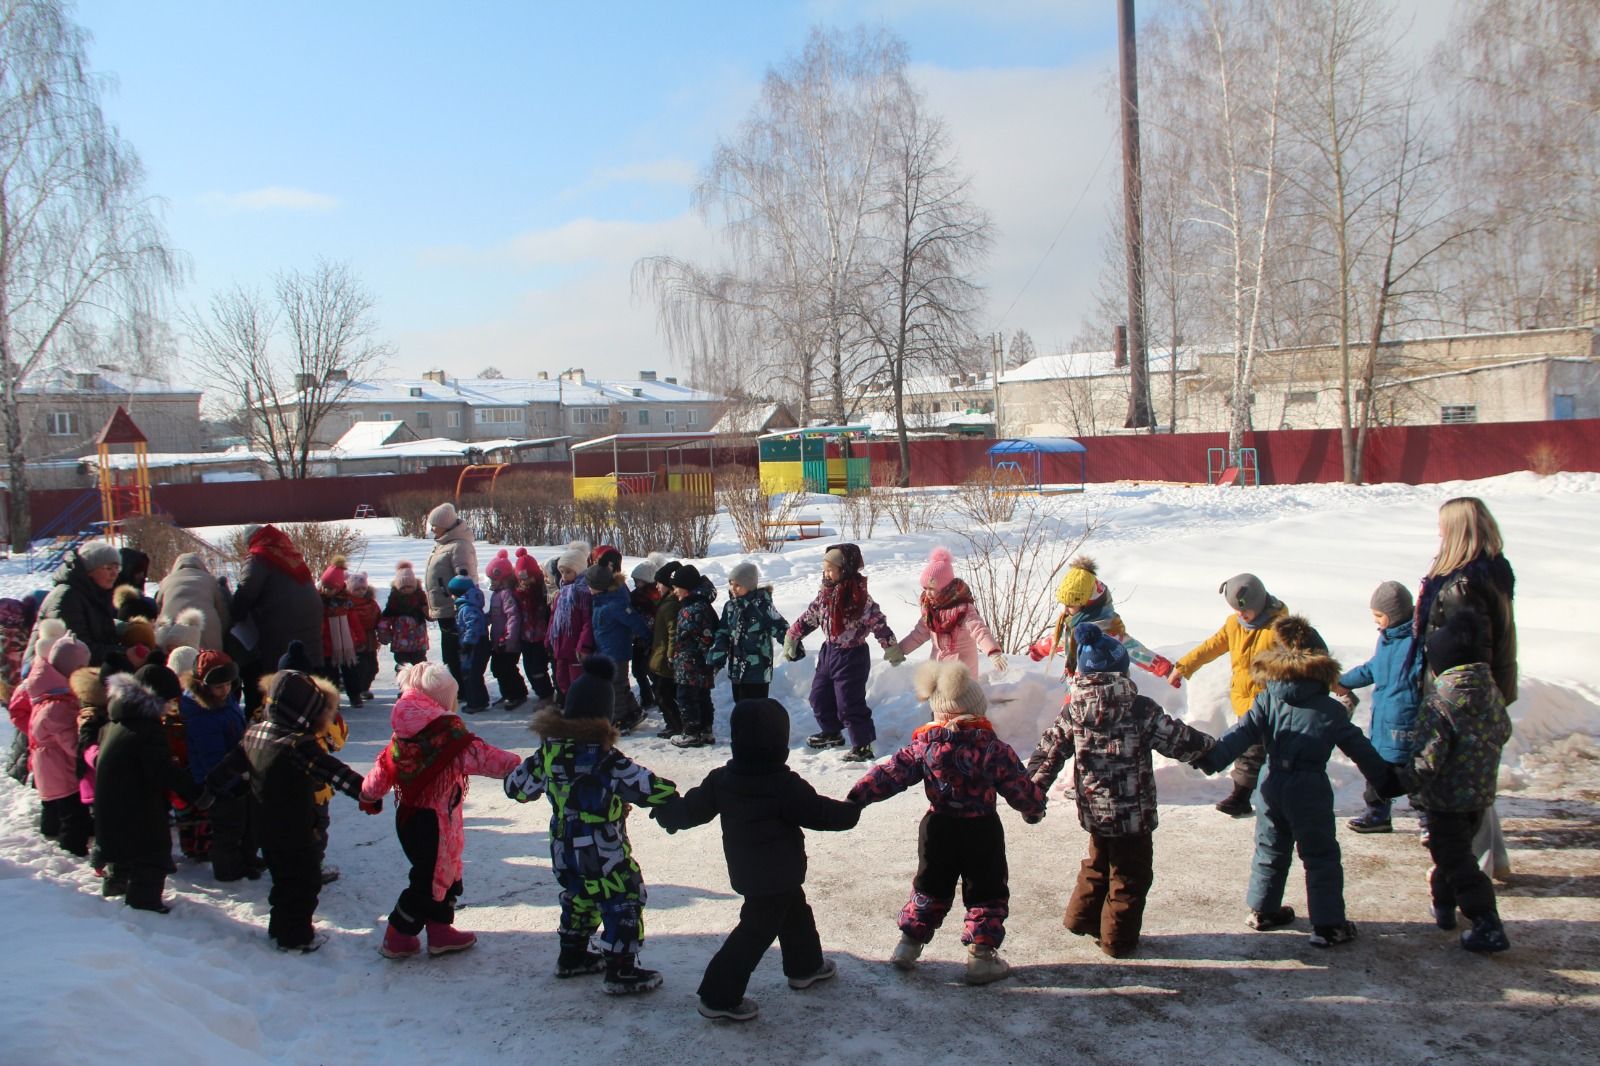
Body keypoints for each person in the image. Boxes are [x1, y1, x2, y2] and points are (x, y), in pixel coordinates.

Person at [1197, 616, 1400, 948]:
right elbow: (1360, 748)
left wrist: (1212, 758)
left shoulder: (1267, 700)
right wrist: (1387, 781)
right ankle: (1328, 924)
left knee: (1270, 848)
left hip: (1271, 782)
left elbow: (1242, 733)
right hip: (1309, 789)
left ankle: (1263, 910)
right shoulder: (1330, 710)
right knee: (1319, 856)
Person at [653, 699, 859, 1022]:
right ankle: (718, 996)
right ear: (780, 743)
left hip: (751, 871)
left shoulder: (722, 780)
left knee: (794, 913)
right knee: (755, 931)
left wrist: (670, 813)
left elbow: (692, 809)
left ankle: (805, 967)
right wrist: (853, 808)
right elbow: (821, 813)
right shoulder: (783, 784)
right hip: (779, 872)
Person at [847, 662, 1046, 985]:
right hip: (982, 829)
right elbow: (1018, 784)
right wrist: (1033, 808)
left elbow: (890, 773)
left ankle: (908, 945)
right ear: (976, 710)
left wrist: (859, 796)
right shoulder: (993, 748)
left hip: (938, 827)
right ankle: (981, 956)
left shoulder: (924, 746)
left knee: (930, 885)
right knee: (986, 889)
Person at [1025, 624, 1214, 957]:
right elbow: (1177, 739)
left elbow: (1049, 750)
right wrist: (1212, 752)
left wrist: (1031, 792)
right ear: (1123, 671)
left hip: (1095, 812)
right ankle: (1118, 940)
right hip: (1133, 815)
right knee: (1129, 875)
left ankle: (1081, 919)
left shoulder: (1074, 711)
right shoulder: (1139, 709)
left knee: (1098, 863)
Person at [505, 656, 678, 993]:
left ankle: (571, 955)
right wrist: (671, 797)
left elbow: (516, 788)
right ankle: (621, 969)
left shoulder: (548, 753)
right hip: (602, 849)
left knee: (579, 895)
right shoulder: (602, 758)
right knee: (622, 897)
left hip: (562, 847)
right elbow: (644, 786)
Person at [203, 664, 373, 952]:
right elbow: (332, 771)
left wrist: (207, 791)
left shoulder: (254, 734)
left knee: (282, 878)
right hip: (296, 828)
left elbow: (227, 768)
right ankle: (296, 937)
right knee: (304, 882)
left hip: (262, 826)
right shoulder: (298, 744)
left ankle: (279, 927)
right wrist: (367, 792)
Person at [363, 662, 521, 959]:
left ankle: (440, 931)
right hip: (433, 822)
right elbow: (482, 756)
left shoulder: (402, 738)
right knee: (428, 880)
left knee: (443, 873)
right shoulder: (447, 737)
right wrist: (519, 766)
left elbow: (382, 768)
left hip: (411, 817)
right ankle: (397, 935)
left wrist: (368, 794)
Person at [1410, 496, 1518, 880]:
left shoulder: (1464, 583)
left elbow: (1466, 645)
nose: (1438, 531)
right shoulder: (1488, 572)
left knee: (1464, 779)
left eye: (1443, 525)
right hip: (1479, 687)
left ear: (1458, 529)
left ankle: (1473, 870)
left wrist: (1451, 691)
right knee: (1475, 773)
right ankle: (1493, 859)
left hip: (1462, 691)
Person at [1403, 610, 1513, 953]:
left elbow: (1427, 755)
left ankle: (1486, 921)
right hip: (1479, 795)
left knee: (1457, 861)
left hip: (1445, 798)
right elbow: (1504, 730)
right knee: (1451, 853)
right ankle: (1444, 906)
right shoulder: (1491, 692)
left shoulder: (1440, 702)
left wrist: (1402, 780)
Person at [1176, 573, 1289, 817]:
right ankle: (1242, 796)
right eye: (1236, 611)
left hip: (1273, 702)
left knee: (1276, 752)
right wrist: (1184, 667)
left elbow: (1306, 660)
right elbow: (1211, 646)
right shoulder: (1234, 625)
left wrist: (1334, 684)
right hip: (1246, 702)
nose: (1240, 615)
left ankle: (1273, 795)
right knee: (1250, 750)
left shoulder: (1279, 629)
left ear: (1259, 604)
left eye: (1244, 611)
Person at [784, 544, 904, 762]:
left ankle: (862, 744)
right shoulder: (824, 595)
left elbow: (878, 622)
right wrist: (792, 636)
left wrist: (890, 646)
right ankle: (831, 732)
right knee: (819, 697)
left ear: (845, 569)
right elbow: (809, 617)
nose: (826, 573)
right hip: (828, 653)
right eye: (824, 569)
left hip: (852, 656)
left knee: (849, 702)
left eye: (831, 569)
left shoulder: (859, 597)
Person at [94, 665, 199, 912]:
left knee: (123, 849)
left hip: (113, 802)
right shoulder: (148, 730)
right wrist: (197, 793)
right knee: (152, 854)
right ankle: (144, 905)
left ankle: (116, 885)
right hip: (136, 803)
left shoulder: (118, 719)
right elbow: (162, 771)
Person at [1332, 581, 1423, 833]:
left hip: (1406, 720)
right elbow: (1373, 668)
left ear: (1393, 615)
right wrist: (1343, 681)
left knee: (1411, 773)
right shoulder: (1386, 639)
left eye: (1379, 616)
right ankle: (1378, 813)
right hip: (1383, 719)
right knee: (1377, 769)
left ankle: (1429, 819)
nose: (1376, 621)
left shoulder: (1416, 642)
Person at [1030, 556, 1179, 685]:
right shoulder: (1074, 627)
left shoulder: (1108, 631)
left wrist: (1164, 668)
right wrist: (1038, 650)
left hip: (1113, 689)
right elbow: (1058, 640)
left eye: (1071, 605)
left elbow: (1136, 651)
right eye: (1065, 605)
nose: (1066, 610)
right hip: (1079, 689)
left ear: (1088, 603)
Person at [179, 651, 259, 882]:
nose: (225, 690)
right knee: (228, 828)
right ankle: (228, 870)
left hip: (236, 771)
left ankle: (246, 860)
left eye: (227, 684)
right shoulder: (201, 713)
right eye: (218, 686)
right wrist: (232, 780)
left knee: (246, 821)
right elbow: (211, 755)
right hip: (217, 779)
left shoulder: (225, 700)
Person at [231, 524, 324, 712]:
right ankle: (309, 706)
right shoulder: (290, 555)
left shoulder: (259, 556)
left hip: (281, 623)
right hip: (309, 620)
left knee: (280, 671)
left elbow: (247, 591)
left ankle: (281, 711)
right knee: (303, 664)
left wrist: (235, 613)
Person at [24, 636, 94, 856]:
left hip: (47, 766)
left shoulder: (46, 693)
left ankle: (50, 829)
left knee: (55, 806)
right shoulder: (59, 706)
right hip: (60, 769)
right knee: (73, 813)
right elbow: (72, 744)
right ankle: (72, 849)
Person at [896, 547, 1006, 675]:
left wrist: (993, 651)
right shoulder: (930, 611)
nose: (927, 593)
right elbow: (918, 634)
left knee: (960, 695)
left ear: (945, 587)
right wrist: (900, 650)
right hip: (938, 668)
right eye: (925, 588)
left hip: (962, 671)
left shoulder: (963, 609)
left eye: (932, 588)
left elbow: (979, 630)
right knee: (936, 694)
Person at [27, 540, 123, 667]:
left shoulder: (95, 594)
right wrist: (124, 654)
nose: (114, 573)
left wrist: (128, 630)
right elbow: (77, 650)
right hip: (49, 676)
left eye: (117, 568)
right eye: (108, 568)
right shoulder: (67, 597)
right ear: (89, 570)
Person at [709, 561, 789, 703]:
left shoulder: (762, 607)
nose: (733, 588)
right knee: (740, 705)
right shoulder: (730, 607)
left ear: (749, 586)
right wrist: (716, 659)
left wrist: (792, 645)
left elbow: (780, 627)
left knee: (756, 709)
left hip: (758, 673)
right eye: (731, 583)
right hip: (736, 670)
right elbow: (723, 633)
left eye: (738, 585)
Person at [587, 563, 652, 732]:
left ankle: (619, 719)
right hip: (606, 650)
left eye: (590, 586)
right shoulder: (600, 600)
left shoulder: (615, 602)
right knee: (619, 684)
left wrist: (647, 637)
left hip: (617, 652)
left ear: (598, 586)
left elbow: (635, 621)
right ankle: (634, 711)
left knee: (615, 686)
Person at [424, 503, 479, 685]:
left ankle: (461, 687)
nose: (432, 529)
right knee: (449, 650)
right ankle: (456, 685)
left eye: (435, 525)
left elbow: (465, 577)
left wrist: (460, 603)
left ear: (445, 525)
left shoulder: (459, 546)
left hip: (453, 608)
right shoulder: (443, 544)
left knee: (454, 650)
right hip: (444, 605)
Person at [669, 564, 720, 748]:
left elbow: (703, 638)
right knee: (702, 696)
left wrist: (706, 659)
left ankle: (691, 731)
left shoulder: (694, 609)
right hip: (695, 663)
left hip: (691, 663)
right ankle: (705, 729)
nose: (674, 591)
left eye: (676, 587)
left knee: (686, 697)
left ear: (687, 586)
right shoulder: (693, 604)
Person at [546, 543, 594, 704]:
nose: (564, 576)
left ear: (579, 570)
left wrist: (583, 645)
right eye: (561, 572)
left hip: (574, 647)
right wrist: (548, 639)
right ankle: (571, 706)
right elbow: (554, 618)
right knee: (562, 679)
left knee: (578, 681)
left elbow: (588, 622)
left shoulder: (583, 592)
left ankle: (581, 711)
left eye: (568, 572)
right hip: (560, 645)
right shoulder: (561, 593)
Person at [154, 553, 230, 651]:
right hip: (205, 626)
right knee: (207, 660)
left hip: (172, 628)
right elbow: (222, 610)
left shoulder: (167, 581)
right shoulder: (210, 580)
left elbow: (158, 608)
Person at [484, 550, 527, 711]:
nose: (491, 582)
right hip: (497, 641)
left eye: (493, 579)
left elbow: (513, 616)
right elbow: (493, 614)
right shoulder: (496, 594)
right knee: (497, 668)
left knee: (507, 668)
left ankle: (517, 693)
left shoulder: (506, 594)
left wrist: (510, 637)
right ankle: (507, 692)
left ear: (502, 579)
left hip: (508, 642)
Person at [513, 549, 555, 709]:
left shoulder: (542, 591)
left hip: (541, 637)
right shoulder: (517, 593)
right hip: (525, 636)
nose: (524, 582)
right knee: (528, 667)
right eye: (521, 578)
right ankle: (540, 692)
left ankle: (546, 694)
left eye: (527, 577)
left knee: (538, 668)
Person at [646, 560, 682, 740]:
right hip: (660, 656)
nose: (657, 586)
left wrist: (670, 655)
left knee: (664, 695)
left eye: (659, 583)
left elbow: (673, 632)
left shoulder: (671, 605)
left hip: (665, 660)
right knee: (664, 693)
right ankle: (675, 723)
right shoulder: (666, 602)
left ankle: (675, 725)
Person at [628, 554, 668, 710]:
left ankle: (659, 696)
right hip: (638, 639)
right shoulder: (635, 595)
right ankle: (646, 696)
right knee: (638, 670)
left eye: (639, 581)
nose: (637, 584)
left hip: (653, 639)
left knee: (653, 670)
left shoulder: (656, 596)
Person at [448, 573, 491, 713]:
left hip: (476, 645)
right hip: (476, 643)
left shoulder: (467, 608)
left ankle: (476, 702)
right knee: (473, 673)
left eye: (453, 594)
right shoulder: (469, 605)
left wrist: (467, 642)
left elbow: (473, 626)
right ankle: (481, 699)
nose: (452, 597)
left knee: (471, 674)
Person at [379, 561, 430, 672]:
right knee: (402, 666)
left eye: (409, 586)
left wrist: (428, 612)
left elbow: (430, 616)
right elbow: (385, 618)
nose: (406, 589)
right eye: (403, 587)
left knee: (420, 665)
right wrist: (384, 633)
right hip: (400, 642)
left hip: (418, 641)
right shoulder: (394, 600)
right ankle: (404, 686)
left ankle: (420, 686)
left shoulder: (420, 597)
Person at [347, 571, 382, 702]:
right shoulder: (348, 603)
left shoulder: (371, 602)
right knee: (360, 666)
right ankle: (360, 689)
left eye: (363, 588)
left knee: (373, 666)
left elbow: (378, 617)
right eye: (357, 589)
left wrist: (382, 629)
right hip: (355, 639)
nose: (360, 592)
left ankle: (366, 687)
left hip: (370, 638)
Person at [113, 548, 158, 622]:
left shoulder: (144, 601)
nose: (142, 576)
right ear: (128, 571)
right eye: (137, 572)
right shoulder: (108, 599)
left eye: (143, 572)